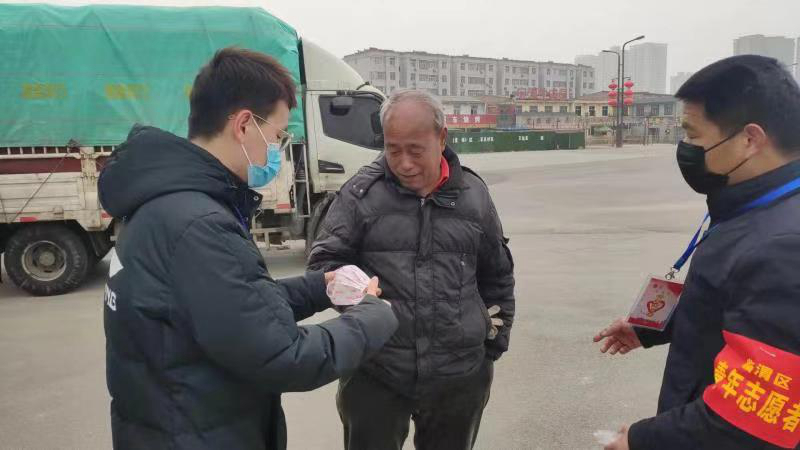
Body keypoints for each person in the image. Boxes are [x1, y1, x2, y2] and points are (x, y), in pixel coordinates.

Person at [99, 47, 398, 450]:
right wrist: (374, 315)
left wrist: (321, 287)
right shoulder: (198, 225)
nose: (276, 149)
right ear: (243, 125)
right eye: (277, 135)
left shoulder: (166, 205)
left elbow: (233, 307)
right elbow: (285, 357)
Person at [595, 55, 800, 449]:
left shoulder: (784, 247)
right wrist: (650, 326)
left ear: (750, 140)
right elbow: (730, 295)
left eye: (692, 135)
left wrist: (640, 440)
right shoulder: (752, 205)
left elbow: (753, 417)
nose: (686, 148)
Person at [307, 89, 515, 450]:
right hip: (377, 369)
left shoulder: (473, 195)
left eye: (415, 150)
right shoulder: (361, 194)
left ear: (441, 138)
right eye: (393, 150)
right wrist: (360, 303)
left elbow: (497, 273)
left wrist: (494, 340)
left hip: (459, 373)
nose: (404, 163)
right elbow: (324, 263)